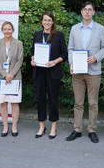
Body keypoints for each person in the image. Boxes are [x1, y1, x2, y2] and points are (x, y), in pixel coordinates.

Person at [66, 1, 104, 143]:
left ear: (93, 12)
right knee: (78, 103)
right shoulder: (74, 29)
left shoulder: (100, 29)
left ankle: (92, 130)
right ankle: (77, 129)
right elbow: (70, 48)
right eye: (85, 9)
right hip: (77, 72)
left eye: (90, 10)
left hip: (94, 71)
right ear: (81, 12)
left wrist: (96, 57)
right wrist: (71, 63)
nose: (87, 12)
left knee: (93, 103)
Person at [31, 11, 67, 139]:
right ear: (41, 22)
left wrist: (55, 62)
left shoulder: (59, 35)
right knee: (40, 99)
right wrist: (32, 60)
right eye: (45, 20)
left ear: (53, 22)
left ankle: (53, 126)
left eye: (49, 20)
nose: (47, 22)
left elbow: (64, 54)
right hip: (39, 72)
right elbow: (32, 51)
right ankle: (41, 126)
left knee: (53, 99)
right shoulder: (37, 35)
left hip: (53, 72)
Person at [0, 21, 23, 137]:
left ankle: (14, 126)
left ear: (13, 30)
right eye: (5, 29)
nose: (7, 31)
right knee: (3, 103)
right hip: (2, 78)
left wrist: (11, 74)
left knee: (14, 103)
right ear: (2, 30)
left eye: (9, 29)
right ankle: (5, 126)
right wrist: (5, 75)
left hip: (15, 78)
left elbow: (20, 60)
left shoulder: (18, 43)